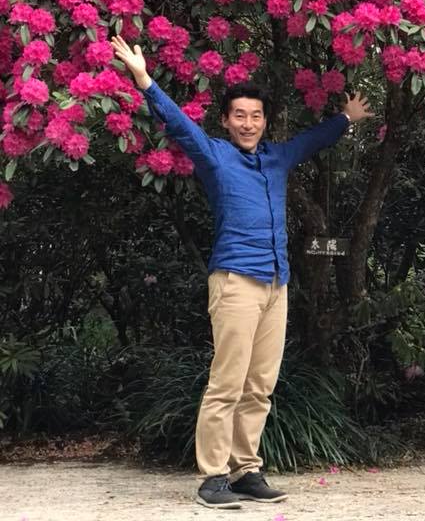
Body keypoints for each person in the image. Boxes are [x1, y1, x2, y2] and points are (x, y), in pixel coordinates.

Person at [110, 35, 373, 509]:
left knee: (261, 385)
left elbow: (312, 141)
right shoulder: (214, 155)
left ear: (264, 121)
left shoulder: (277, 157)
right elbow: (178, 124)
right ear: (227, 121)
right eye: (239, 116)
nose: (248, 123)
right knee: (227, 382)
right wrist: (143, 78)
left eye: (255, 116)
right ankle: (213, 477)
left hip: (277, 284)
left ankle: (246, 469)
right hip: (235, 281)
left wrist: (345, 120)